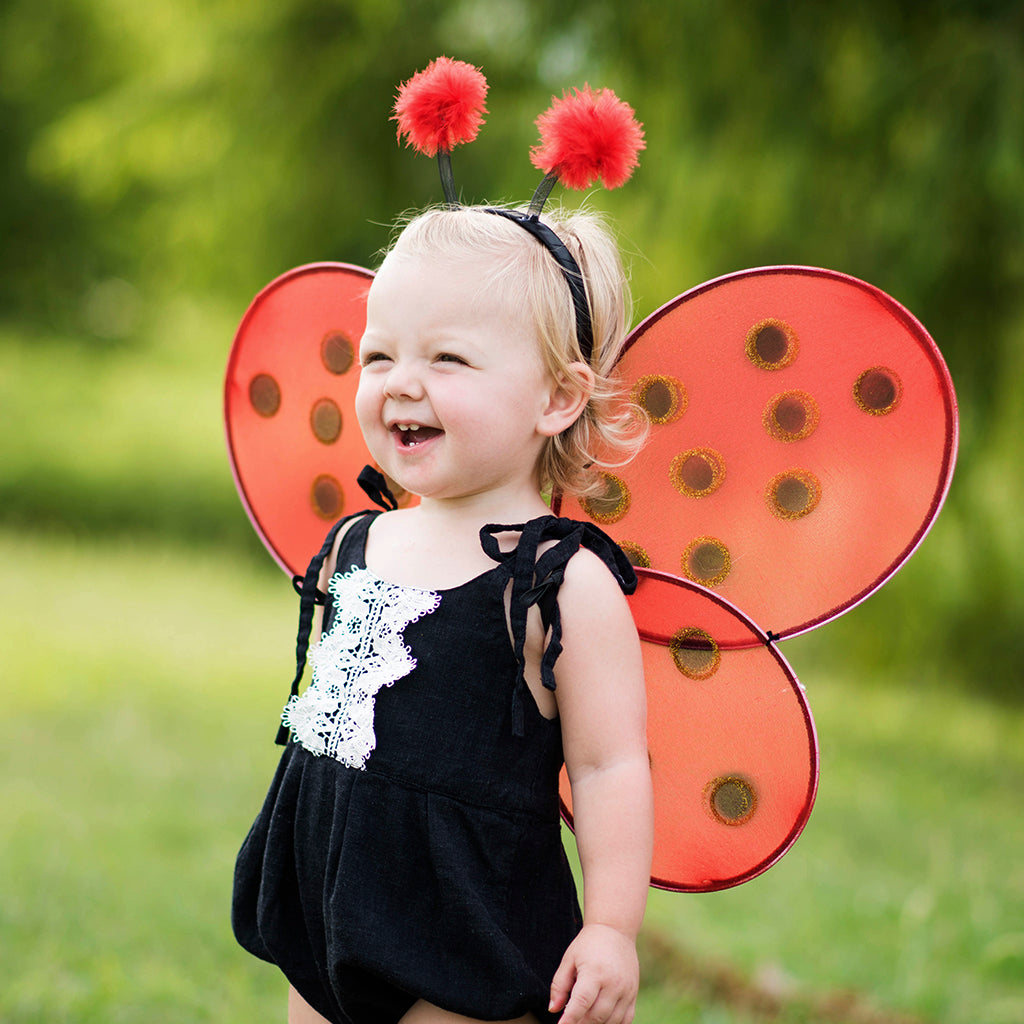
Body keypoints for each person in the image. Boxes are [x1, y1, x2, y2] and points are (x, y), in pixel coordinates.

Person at [232, 202, 653, 1024]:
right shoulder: (358, 540)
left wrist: (610, 928)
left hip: (470, 927)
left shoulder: (556, 584)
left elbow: (610, 766)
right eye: (378, 354)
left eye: (449, 358)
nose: (401, 382)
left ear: (557, 399)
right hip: (329, 897)